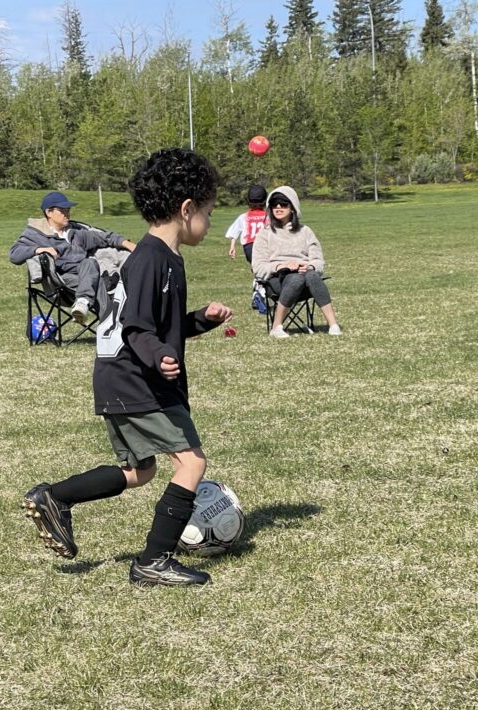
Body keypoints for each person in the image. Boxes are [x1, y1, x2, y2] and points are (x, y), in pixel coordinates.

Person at [20, 148, 234, 588]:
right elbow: (138, 328)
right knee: (191, 463)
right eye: (209, 214)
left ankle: (55, 497)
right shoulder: (155, 258)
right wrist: (158, 356)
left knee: (140, 471)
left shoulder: (159, 256)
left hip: (117, 375)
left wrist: (199, 321)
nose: (210, 224)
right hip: (136, 375)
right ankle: (154, 561)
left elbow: (153, 325)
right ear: (186, 208)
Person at [9, 191, 135, 323]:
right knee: (95, 275)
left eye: (68, 209)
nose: (67, 213)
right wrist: (39, 249)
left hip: (86, 276)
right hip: (61, 282)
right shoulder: (36, 234)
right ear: (48, 212)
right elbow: (14, 254)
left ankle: (85, 304)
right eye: (62, 210)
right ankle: (111, 328)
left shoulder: (77, 232)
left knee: (92, 268)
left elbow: (104, 237)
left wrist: (129, 244)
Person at [251, 185, 342, 337]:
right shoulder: (264, 234)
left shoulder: (305, 232)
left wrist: (309, 266)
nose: (278, 207)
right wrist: (282, 266)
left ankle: (333, 325)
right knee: (295, 279)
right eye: (274, 204)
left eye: (283, 204)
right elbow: (258, 266)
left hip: (306, 280)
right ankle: (276, 327)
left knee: (312, 275)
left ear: (292, 207)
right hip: (276, 281)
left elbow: (318, 261)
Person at [225, 184, 268, 263]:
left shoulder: (244, 217)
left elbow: (234, 232)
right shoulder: (268, 216)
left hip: (249, 247)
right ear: (265, 200)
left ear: (248, 201)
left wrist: (232, 246)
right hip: (265, 245)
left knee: (257, 268)